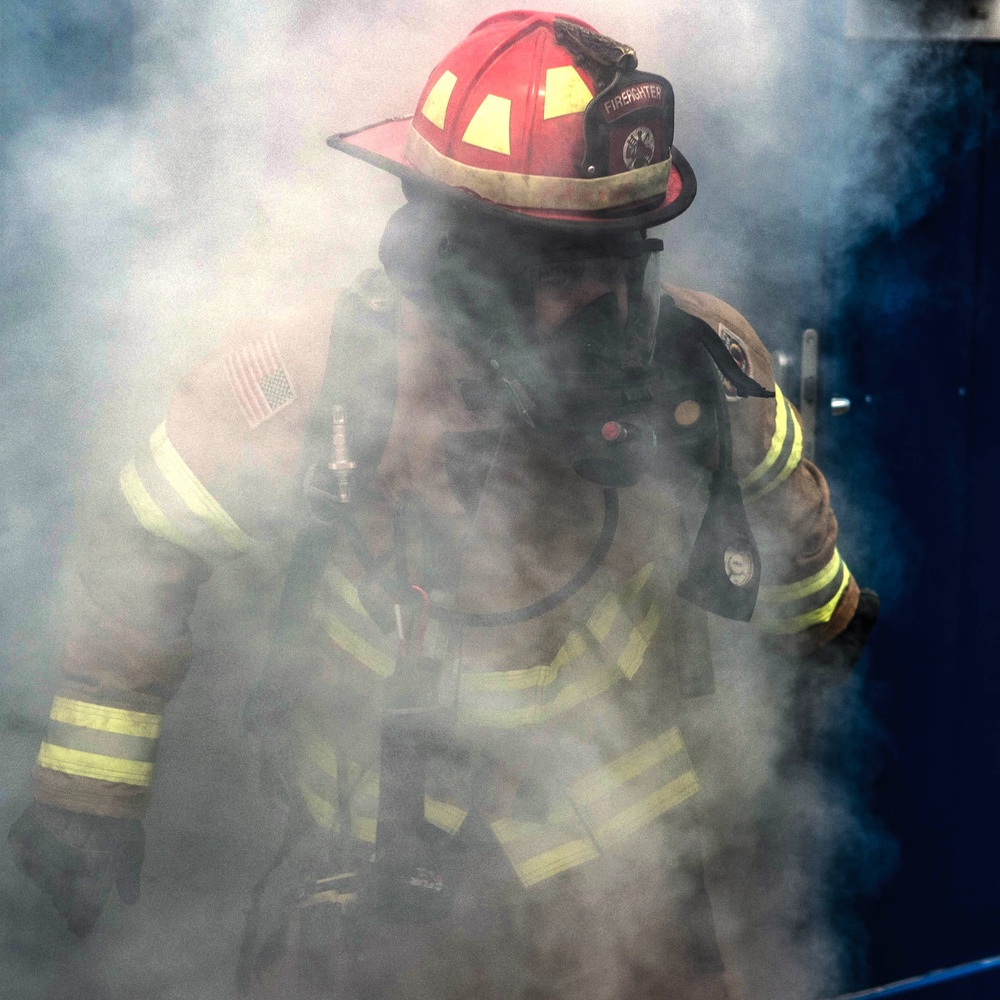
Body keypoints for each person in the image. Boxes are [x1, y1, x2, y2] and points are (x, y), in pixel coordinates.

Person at [9, 11, 878, 999]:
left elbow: (791, 515)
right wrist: (89, 787)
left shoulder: (707, 369)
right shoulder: (306, 383)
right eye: (549, 261)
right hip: (367, 887)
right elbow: (146, 541)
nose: (594, 299)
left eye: (616, 254)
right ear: (443, 252)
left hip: (627, 884)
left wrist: (828, 618)